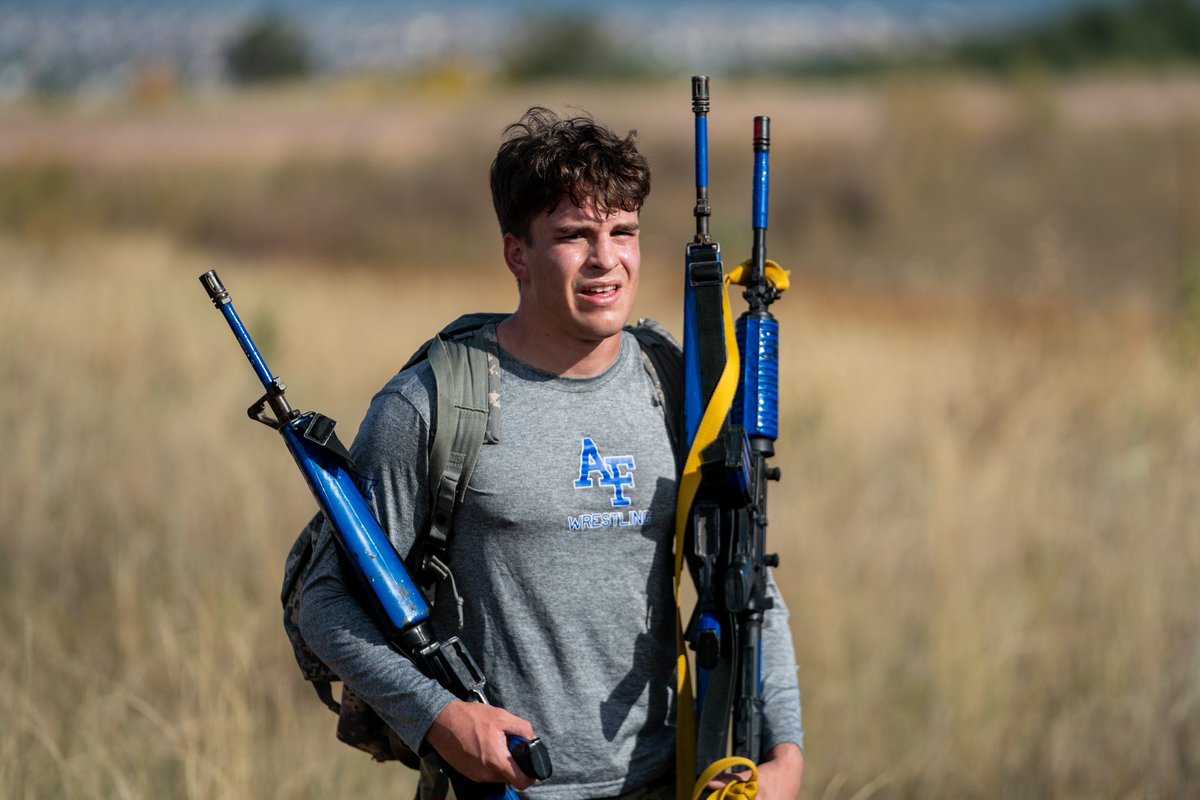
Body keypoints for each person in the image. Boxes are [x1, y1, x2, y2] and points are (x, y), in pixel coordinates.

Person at [298, 107, 804, 800]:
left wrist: (786, 756)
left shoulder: (680, 388)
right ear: (517, 254)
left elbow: (746, 576)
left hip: (671, 781)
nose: (607, 260)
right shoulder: (432, 404)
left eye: (624, 232)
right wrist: (441, 717)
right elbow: (324, 600)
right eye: (574, 236)